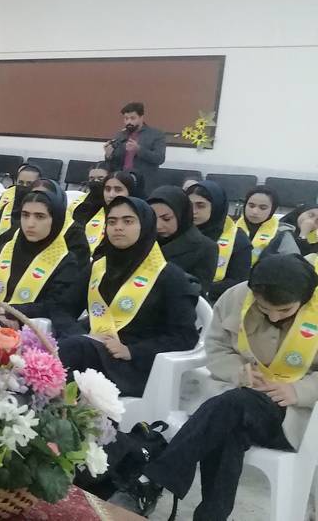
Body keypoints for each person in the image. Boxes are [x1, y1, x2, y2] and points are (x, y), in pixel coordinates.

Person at [124, 255, 318, 520]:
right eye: (264, 308)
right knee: (228, 427)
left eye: (284, 311)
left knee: (230, 408)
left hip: (293, 415)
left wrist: (297, 391)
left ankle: (156, 476)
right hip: (238, 401)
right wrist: (238, 370)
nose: (274, 316)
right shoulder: (236, 297)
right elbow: (215, 347)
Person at [58, 196, 198, 397]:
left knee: (72, 354)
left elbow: (185, 337)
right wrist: (78, 333)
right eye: (112, 221)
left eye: (128, 221)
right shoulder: (99, 268)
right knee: (55, 348)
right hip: (89, 350)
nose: (118, 227)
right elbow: (62, 308)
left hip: (133, 367)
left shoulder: (169, 276)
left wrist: (132, 351)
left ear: (146, 226)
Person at [0, 185, 80, 333]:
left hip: (32, 331)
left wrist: (6, 311)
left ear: (56, 220)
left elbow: (53, 306)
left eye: (40, 217)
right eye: (25, 215)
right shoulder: (7, 249)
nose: (30, 224)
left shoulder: (66, 262)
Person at [148, 186, 217, 295]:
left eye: (166, 219)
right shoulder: (141, 240)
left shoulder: (205, 247)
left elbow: (198, 291)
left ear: (181, 215)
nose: (158, 225)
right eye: (152, 218)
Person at [189, 181, 251, 302]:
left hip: (218, 301)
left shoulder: (238, 239)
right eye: (189, 205)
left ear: (216, 206)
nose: (193, 211)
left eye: (200, 206)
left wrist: (196, 289)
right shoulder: (176, 230)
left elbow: (239, 281)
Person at [103, 102, 166, 190]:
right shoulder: (120, 135)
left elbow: (159, 158)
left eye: (132, 118)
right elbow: (113, 165)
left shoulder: (156, 134)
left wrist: (138, 149)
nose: (129, 122)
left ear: (141, 117)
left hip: (144, 184)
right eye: (126, 118)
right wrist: (108, 155)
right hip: (122, 183)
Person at [83, 171, 139, 255]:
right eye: (107, 189)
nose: (111, 194)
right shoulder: (89, 212)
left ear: (130, 191)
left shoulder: (139, 217)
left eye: (118, 190)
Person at [0, 163, 41, 239]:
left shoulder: (43, 207)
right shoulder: (7, 202)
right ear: (16, 182)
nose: (24, 186)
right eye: (21, 182)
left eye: (29, 183)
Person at [238, 185, 280, 265]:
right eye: (251, 206)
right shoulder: (230, 227)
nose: (255, 212)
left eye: (263, 208)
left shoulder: (282, 234)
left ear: (273, 210)